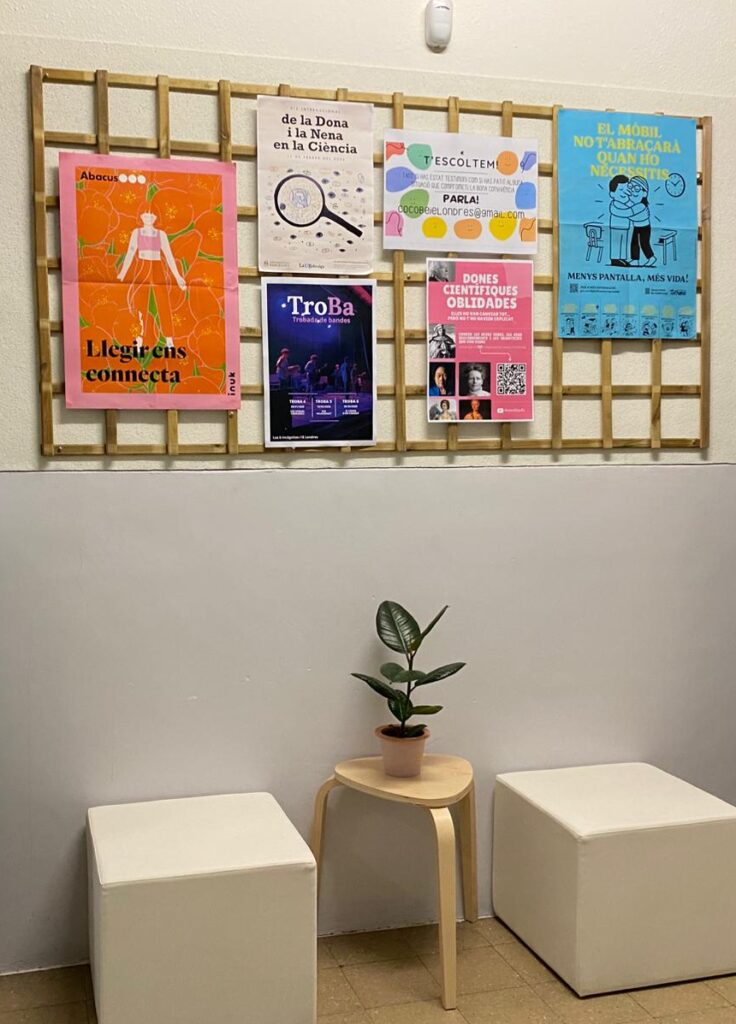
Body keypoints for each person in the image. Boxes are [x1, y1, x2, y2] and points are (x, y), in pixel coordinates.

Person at [117, 211, 186, 347]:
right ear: (140, 216)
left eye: (152, 215)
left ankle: (169, 338)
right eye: (145, 214)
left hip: (157, 267)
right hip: (142, 267)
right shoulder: (136, 233)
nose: (148, 217)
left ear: (156, 217)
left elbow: (169, 256)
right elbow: (130, 252)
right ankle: (139, 336)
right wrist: (122, 273)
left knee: (163, 302)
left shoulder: (161, 234)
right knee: (140, 304)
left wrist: (178, 276)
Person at [627, 176, 656, 267]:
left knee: (644, 243)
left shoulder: (641, 206)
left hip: (644, 227)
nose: (632, 191)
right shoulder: (633, 204)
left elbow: (629, 213)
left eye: (636, 188)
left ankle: (651, 257)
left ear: (644, 193)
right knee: (634, 243)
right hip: (636, 226)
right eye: (630, 187)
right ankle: (635, 260)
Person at [608, 175, 633, 266]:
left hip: (625, 226)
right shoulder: (614, 204)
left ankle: (622, 258)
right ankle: (615, 259)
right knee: (616, 243)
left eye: (626, 189)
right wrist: (631, 212)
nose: (624, 192)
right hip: (616, 227)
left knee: (623, 243)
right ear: (612, 194)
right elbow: (621, 212)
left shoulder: (627, 203)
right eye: (621, 190)